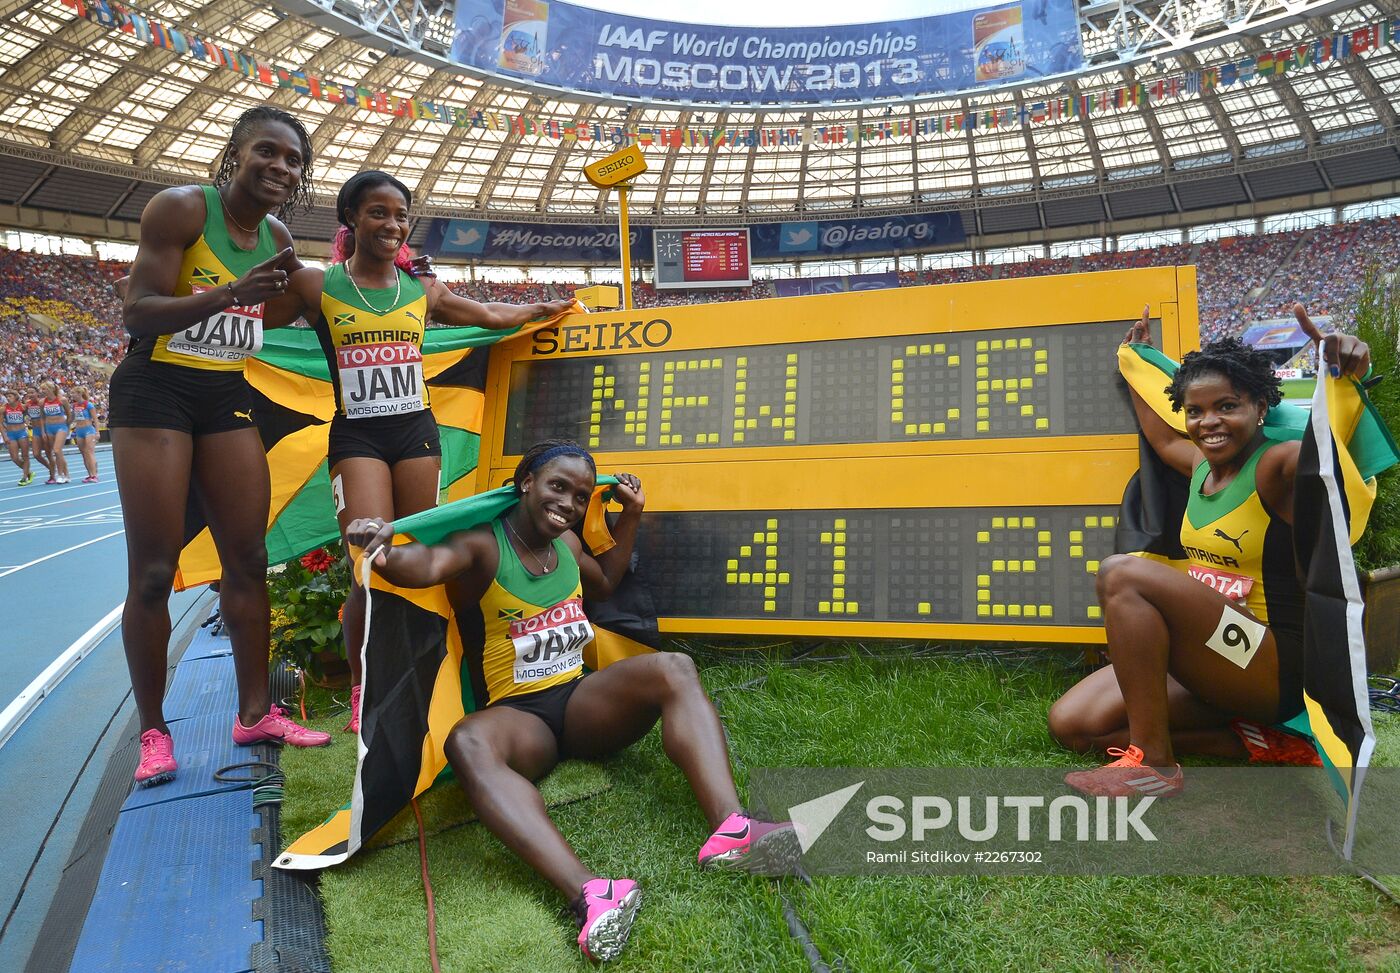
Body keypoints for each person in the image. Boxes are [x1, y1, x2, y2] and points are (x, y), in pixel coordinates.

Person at [346, 440, 798, 962]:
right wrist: (382, 549)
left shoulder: (568, 545)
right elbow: (424, 564)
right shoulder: (482, 545)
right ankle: (593, 895)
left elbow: (604, 584)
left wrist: (631, 517)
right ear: (525, 484)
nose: (569, 503)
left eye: (581, 496)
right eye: (557, 486)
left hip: (582, 703)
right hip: (520, 720)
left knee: (674, 668)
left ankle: (732, 830)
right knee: (466, 741)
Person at [269, 170, 573, 734]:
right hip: (356, 437)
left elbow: (487, 317)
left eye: (400, 214)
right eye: (378, 212)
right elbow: (254, 327)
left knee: (417, 554)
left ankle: (424, 674)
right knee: (368, 560)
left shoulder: (422, 291)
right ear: (352, 219)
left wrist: (537, 310)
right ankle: (364, 687)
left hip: (416, 435)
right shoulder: (318, 286)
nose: (392, 224)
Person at [1048, 304, 1372, 796]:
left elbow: (1323, 460)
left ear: (1260, 406)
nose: (1208, 423)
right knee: (1073, 725)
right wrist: (1135, 360)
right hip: (1213, 653)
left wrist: (1345, 374)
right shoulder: (1200, 467)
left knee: (1122, 574)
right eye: (1195, 411)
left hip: (1272, 664)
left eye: (1227, 406)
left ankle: (1154, 765)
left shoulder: (1277, 467)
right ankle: (1254, 742)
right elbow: (1160, 438)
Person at [111, 104, 331, 788]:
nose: (280, 167)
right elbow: (137, 311)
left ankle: (255, 711)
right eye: (268, 151)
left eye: (293, 160)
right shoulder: (181, 210)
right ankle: (153, 731)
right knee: (152, 571)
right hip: (156, 391)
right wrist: (228, 292)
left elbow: (281, 309)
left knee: (249, 556)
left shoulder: (275, 235)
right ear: (236, 152)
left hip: (225, 395)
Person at [39, 381, 70, 484]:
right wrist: (43, 431)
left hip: (61, 427)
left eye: (44, 389)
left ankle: (60, 475)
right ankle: (67, 475)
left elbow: (69, 414)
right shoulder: (42, 402)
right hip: (49, 428)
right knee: (58, 452)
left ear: (50, 389)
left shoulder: (62, 400)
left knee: (57, 450)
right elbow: (42, 417)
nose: (42, 391)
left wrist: (67, 426)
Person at [69, 385, 100, 483]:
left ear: (79, 394)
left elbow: (95, 419)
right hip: (79, 431)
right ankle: (90, 474)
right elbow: (72, 418)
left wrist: (97, 432)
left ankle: (95, 475)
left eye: (73, 393)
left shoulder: (88, 405)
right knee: (83, 453)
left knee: (89, 452)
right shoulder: (74, 405)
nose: (72, 395)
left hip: (88, 430)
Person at [3, 390, 32, 485]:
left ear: (16, 397)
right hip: (11, 434)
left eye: (10, 396)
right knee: (14, 458)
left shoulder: (23, 407)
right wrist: (4, 436)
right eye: (7, 396)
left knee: (25, 456)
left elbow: (33, 409)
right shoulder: (3, 408)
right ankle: (29, 472)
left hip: (22, 433)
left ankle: (24, 477)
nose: (8, 398)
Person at [25, 389, 52, 483]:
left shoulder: (43, 402)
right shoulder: (27, 404)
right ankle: (50, 468)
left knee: (48, 453)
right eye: (28, 393)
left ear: (37, 393)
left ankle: (52, 475)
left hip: (45, 429)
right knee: (36, 454)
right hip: (36, 430)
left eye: (32, 392)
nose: (30, 394)